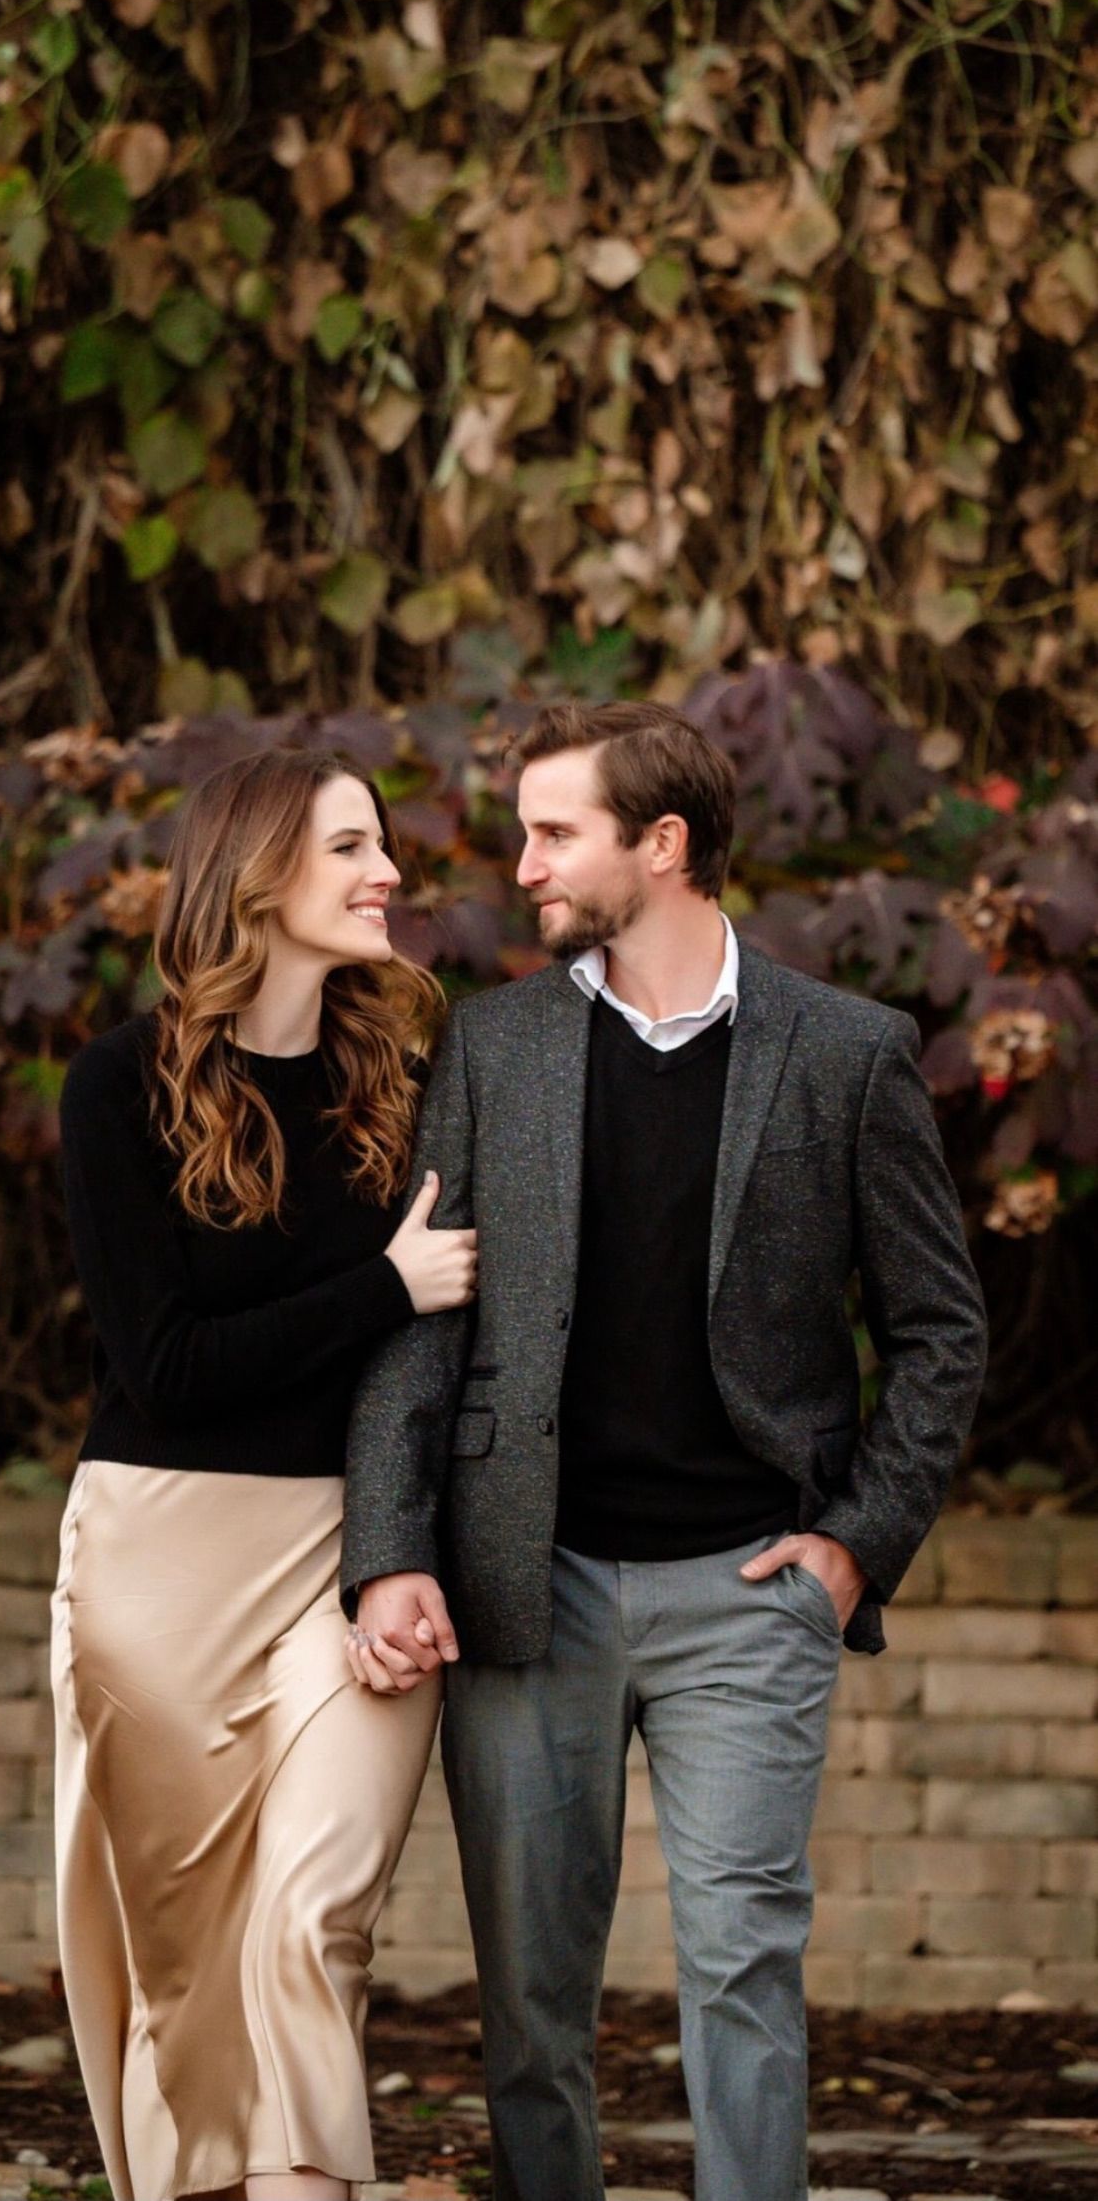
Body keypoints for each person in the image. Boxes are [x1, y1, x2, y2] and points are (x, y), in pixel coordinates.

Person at [341, 698, 988, 2201]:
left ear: (664, 843)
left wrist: (854, 1543)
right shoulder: (495, 1046)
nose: (525, 862)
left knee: (746, 1971)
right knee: (530, 2003)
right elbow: (419, 1324)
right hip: (527, 1582)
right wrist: (389, 1554)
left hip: (751, 1592)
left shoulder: (845, 1052)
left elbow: (940, 1331)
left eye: (555, 831)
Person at [51, 746, 476, 2201]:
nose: (390, 876)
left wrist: (404, 1538)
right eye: (354, 848)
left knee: (312, 1914)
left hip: (351, 1554)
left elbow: (433, 1361)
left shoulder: (400, 1090)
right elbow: (165, 1365)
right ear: (260, 875)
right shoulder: (122, 1086)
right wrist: (387, 1288)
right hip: (162, 1558)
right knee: (190, 1966)